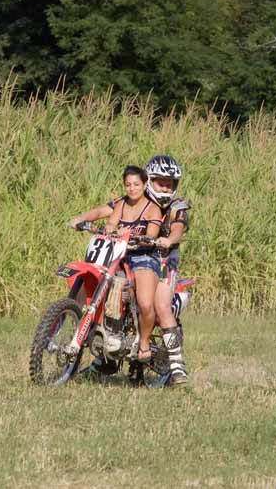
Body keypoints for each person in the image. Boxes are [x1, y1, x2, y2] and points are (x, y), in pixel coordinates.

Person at [69, 166, 163, 364]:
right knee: (98, 279)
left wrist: (137, 236)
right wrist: (86, 221)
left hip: (143, 256)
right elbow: (108, 219)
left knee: (146, 303)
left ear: (145, 184)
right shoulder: (121, 203)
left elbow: (153, 234)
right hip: (117, 254)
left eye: (136, 184)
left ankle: (144, 343)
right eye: (128, 184)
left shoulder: (152, 207)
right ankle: (100, 328)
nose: (132, 188)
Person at [143, 155, 190, 386]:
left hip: (164, 262)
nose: (166, 187)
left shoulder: (177, 206)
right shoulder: (138, 201)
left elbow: (178, 227)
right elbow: (114, 211)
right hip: (137, 259)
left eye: (170, 183)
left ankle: (176, 365)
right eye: (161, 182)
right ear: (149, 180)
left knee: (161, 305)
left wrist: (170, 240)